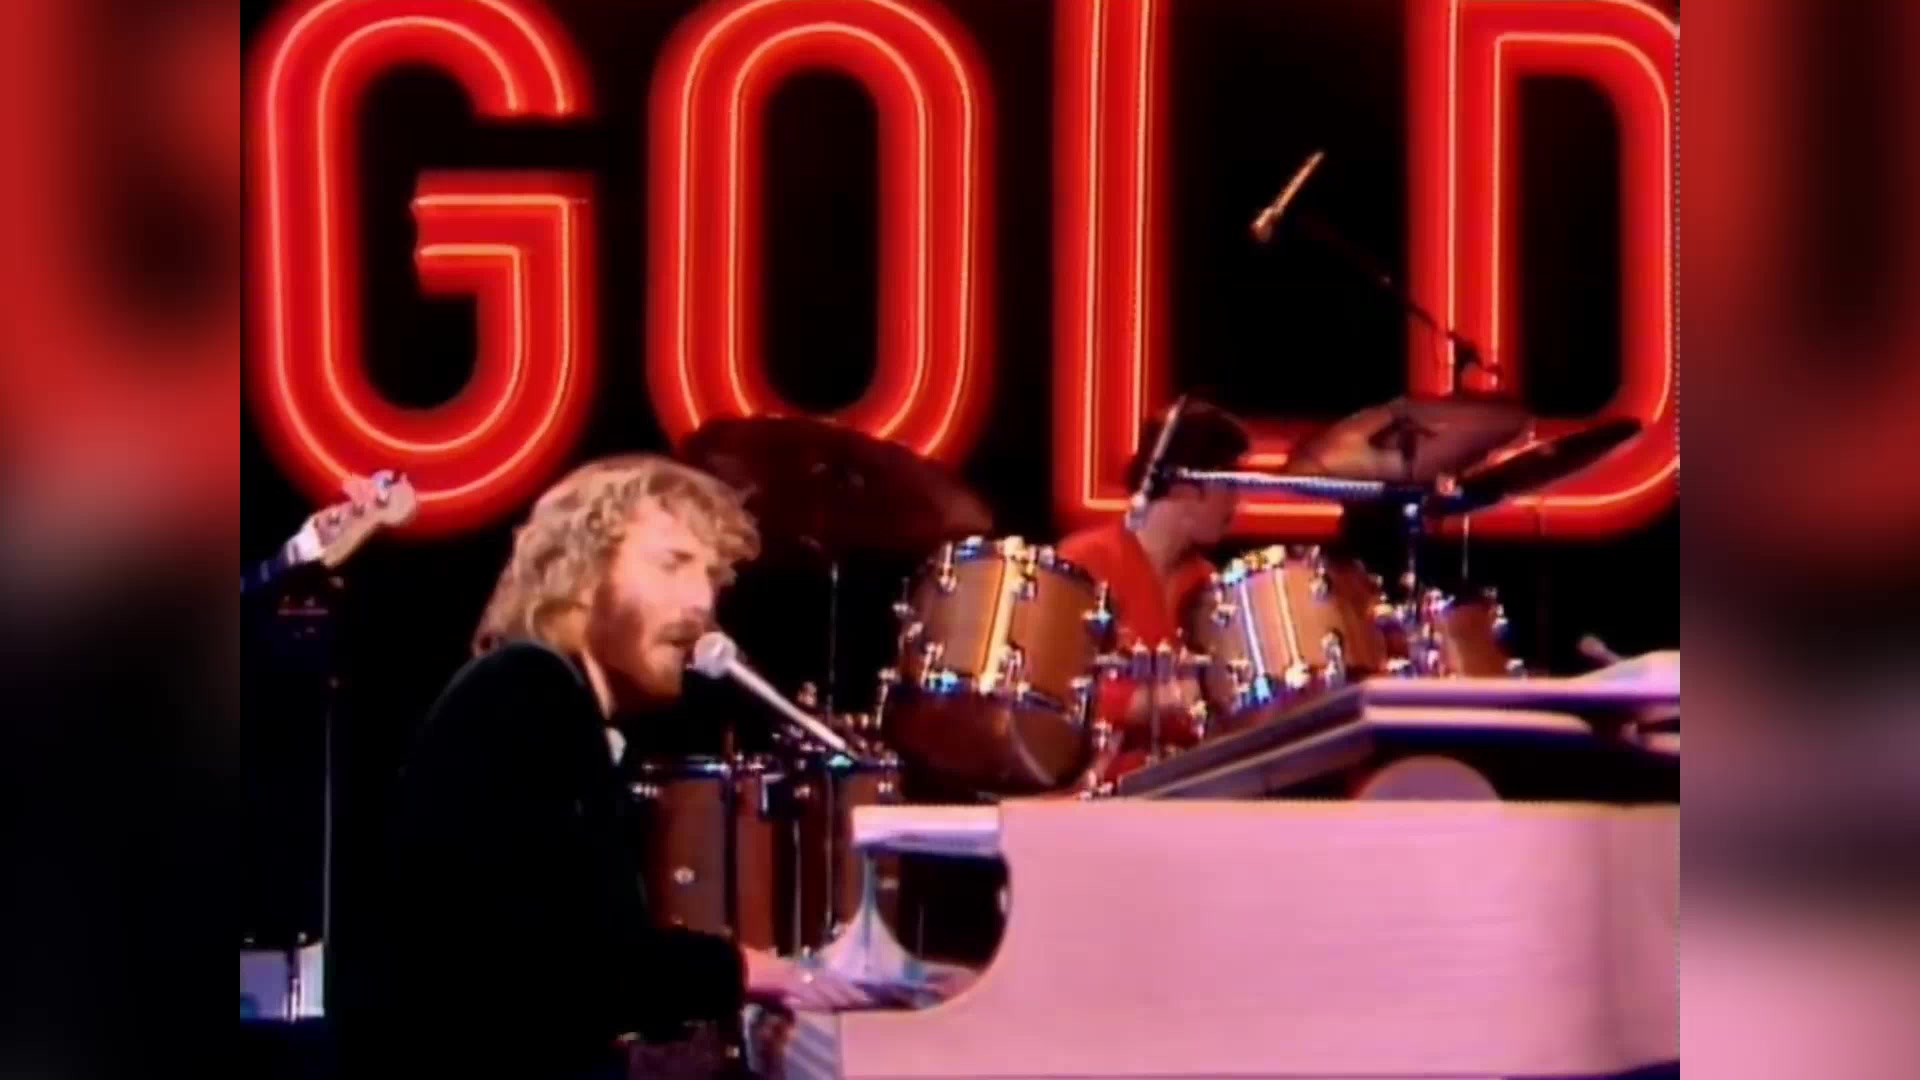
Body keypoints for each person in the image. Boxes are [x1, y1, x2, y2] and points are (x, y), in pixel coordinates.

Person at [376, 455, 874, 1079]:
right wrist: (752, 971)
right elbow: (572, 964)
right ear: (581, 575)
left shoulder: (547, 696)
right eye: (672, 564)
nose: (701, 602)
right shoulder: (526, 692)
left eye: (710, 576)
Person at [1057, 402, 1250, 785]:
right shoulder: (1082, 562)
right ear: (1185, 487)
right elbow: (1050, 690)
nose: (1237, 501)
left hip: (1188, 791)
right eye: (1229, 484)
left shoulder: (1211, 586)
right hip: (1092, 793)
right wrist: (1148, 703)